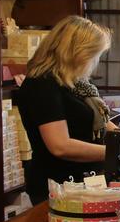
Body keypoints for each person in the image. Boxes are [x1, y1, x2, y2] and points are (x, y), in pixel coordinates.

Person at [13, 16, 112, 205]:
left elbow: (97, 117)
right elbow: (60, 146)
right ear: (77, 53)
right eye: (94, 55)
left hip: (86, 180)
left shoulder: (76, 83)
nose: (95, 61)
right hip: (60, 185)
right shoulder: (41, 85)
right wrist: (114, 151)